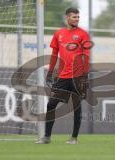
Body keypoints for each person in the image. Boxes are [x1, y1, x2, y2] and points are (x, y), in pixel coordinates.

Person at [36, 7, 90, 144]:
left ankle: (74, 138)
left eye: (78, 17)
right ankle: (47, 137)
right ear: (67, 17)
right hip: (62, 77)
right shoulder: (58, 34)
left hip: (77, 77)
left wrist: (85, 75)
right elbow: (54, 55)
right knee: (51, 105)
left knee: (77, 107)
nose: (77, 19)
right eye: (74, 17)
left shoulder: (83, 34)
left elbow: (86, 56)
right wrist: (50, 72)